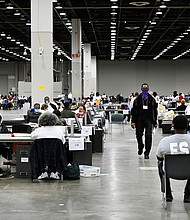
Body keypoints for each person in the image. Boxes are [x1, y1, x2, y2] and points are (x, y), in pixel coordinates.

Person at [156, 115, 190, 203]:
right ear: (188, 125)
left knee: (160, 164)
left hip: (170, 172)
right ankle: (188, 194)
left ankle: (167, 194)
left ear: (173, 126)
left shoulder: (165, 141)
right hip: (189, 172)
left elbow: (159, 157)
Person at [31, 112, 66, 180]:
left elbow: (32, 136)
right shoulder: (59, 130)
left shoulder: (39, 130)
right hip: (55, 154)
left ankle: (43, 172)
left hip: (41, 154)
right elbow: (63, 141)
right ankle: (54, 172)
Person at [131, 83, 158, 159]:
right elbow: (134, 111)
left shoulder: (152, 100)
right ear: (141, 90)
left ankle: (147, 152)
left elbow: (154, 111)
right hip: (139, 120)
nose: (145, 91)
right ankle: (140, 146)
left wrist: (155, 121)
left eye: (146, 89)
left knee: (148, 135)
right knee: (139, 135)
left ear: (148, 90)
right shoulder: (137, 100)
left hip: (149, 120)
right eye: (143, 89)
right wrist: (133, 122)